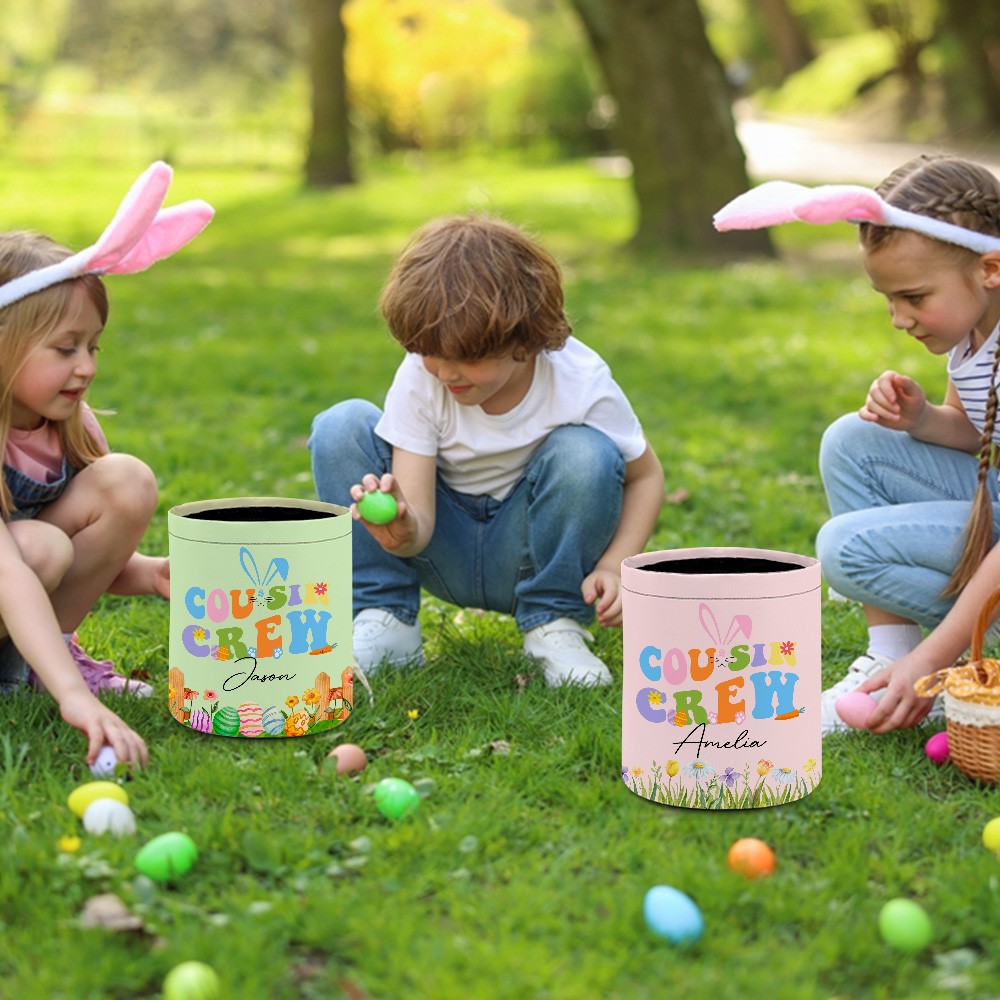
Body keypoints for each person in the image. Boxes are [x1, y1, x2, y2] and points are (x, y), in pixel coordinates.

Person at [310, 214, 664, 685]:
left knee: (586, 452)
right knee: (341, 424)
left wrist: (613, 567)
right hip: (444, 544)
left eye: (469, 360)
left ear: (527, 339)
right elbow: (419, 523)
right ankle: (385, 617)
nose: (446, 373)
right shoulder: (423, 375)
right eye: (430, 353)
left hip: (527, 551)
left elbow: (646, 477)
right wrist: (401, 527)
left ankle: (552, 623)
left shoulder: (579, 380)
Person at [714, 154, 1000, 734]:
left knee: (847, 548)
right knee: (855, 439)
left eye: (915, 298)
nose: (899, 318)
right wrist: (920, 420)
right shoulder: (973, 331)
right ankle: (891, 654)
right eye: (889, 299)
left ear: (990, 269)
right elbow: (977, 434)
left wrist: (935, 657)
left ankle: (942, 670)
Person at [0, 163, 213, 766]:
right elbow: (13, 570)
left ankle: (46, 663)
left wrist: (146, 573)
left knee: (125, 479)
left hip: (23, 596)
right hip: (11, 578)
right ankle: (59, 676)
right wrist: (77, 701)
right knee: (37, 548)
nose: (86, 366)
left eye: (92, 346)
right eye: (65, 349)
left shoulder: (69, 422)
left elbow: (84, 547)